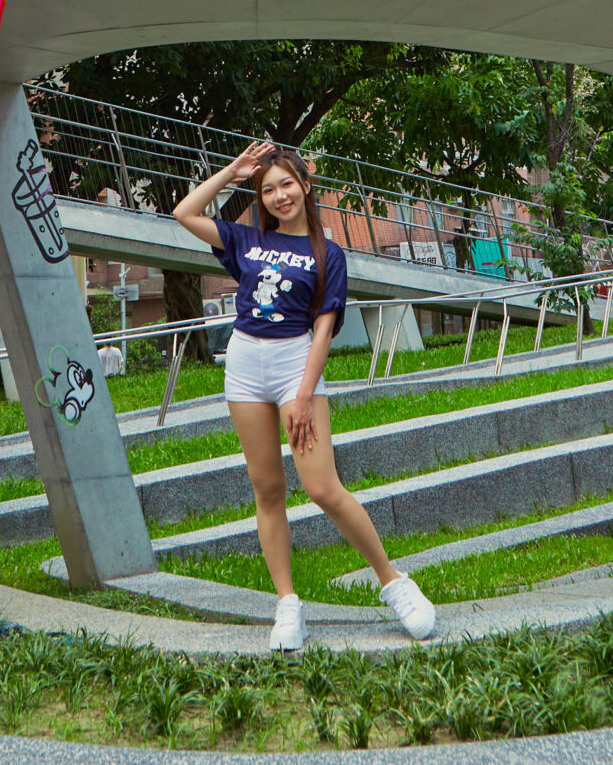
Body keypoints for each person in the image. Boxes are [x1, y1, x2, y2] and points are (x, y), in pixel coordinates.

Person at [172, 141, 435, 651]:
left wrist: (302, 394)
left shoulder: (327, 253)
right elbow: (184, 211)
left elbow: (323, 328)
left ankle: (394, 583)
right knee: (267, 489)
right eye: (268, 190)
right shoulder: (244, 240)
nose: (279, 195)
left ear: (306, 186)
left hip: (297, 363)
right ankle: (288, 604)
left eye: (287, 184)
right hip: (246, 364)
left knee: (321, 487)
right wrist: (232, 171)